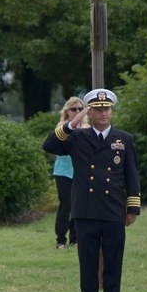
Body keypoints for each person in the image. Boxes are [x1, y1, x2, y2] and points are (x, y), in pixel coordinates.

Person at [43, 88, 141, 292]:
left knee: (112, 265)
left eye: (106, 108)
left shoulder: (123, 139)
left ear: (112, 110)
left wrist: (132, 209)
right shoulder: (78, 137)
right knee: (87, 266)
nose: (103, 113)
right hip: (86, 211)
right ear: (90, 112)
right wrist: (71, 123)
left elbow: (132, 175)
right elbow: (50, 145)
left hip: (113, 210)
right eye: (97, 109)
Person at [53, 97, 89, 249]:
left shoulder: (87, 127)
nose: (77, 112)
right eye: (74, 109)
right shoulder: (63, 126)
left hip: (79, 171)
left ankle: (75, 238)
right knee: (66, 204)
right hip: (63, 171)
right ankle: (61, 239)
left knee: (78, 205)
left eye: (80, 109)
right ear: (67, 112)